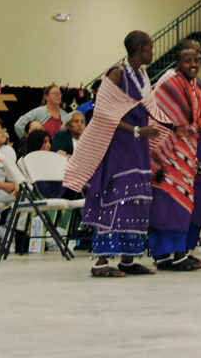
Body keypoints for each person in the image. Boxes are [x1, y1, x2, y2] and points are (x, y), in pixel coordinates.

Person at [64, 31, 162, 277]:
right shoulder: (116, 73)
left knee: (136, 199)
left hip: (137, 147)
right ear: (139, 48)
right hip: (118, 145)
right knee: (114, 197)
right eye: (150, 48)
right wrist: (138, 130)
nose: (152, 52)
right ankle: (100, 263)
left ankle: (128, 260)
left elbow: (148, 107)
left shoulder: (141, 74)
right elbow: (104, 114)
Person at [150, 40, 201, 271]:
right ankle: (168, 254)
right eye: (188, 60)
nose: (194, 64)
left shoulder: (194, 85)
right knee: (168, 203)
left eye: (197, 59)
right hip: (168, 150)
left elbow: (198, 117)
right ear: (178, 62)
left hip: (189, 148)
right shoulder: (169, 83)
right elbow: (163, 117)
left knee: (183, 202)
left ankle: (177, 252)